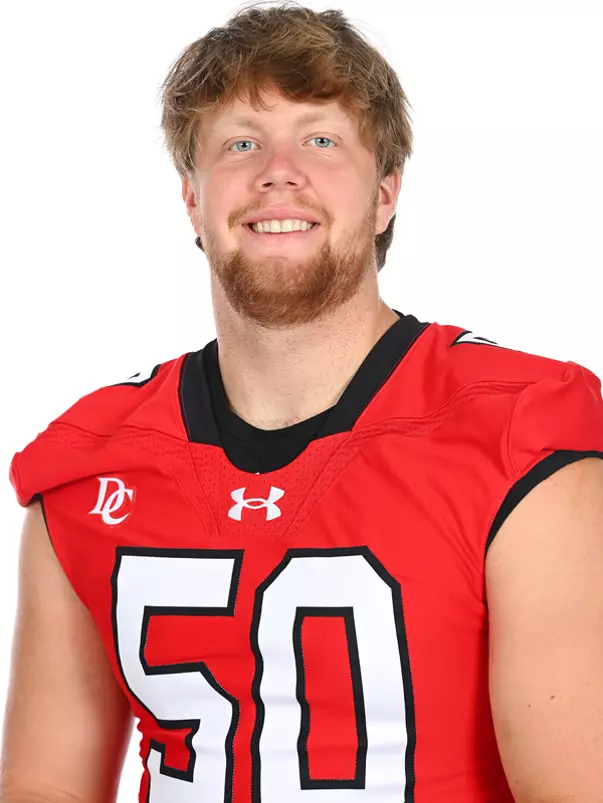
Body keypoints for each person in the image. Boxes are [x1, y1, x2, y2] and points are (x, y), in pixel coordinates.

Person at [2, 3, 603, 802]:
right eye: (240, 143)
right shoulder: (90, 466)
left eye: (321, 140)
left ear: (386, 194)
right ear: (192, 198)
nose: (277, 169)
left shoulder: (517, 435)